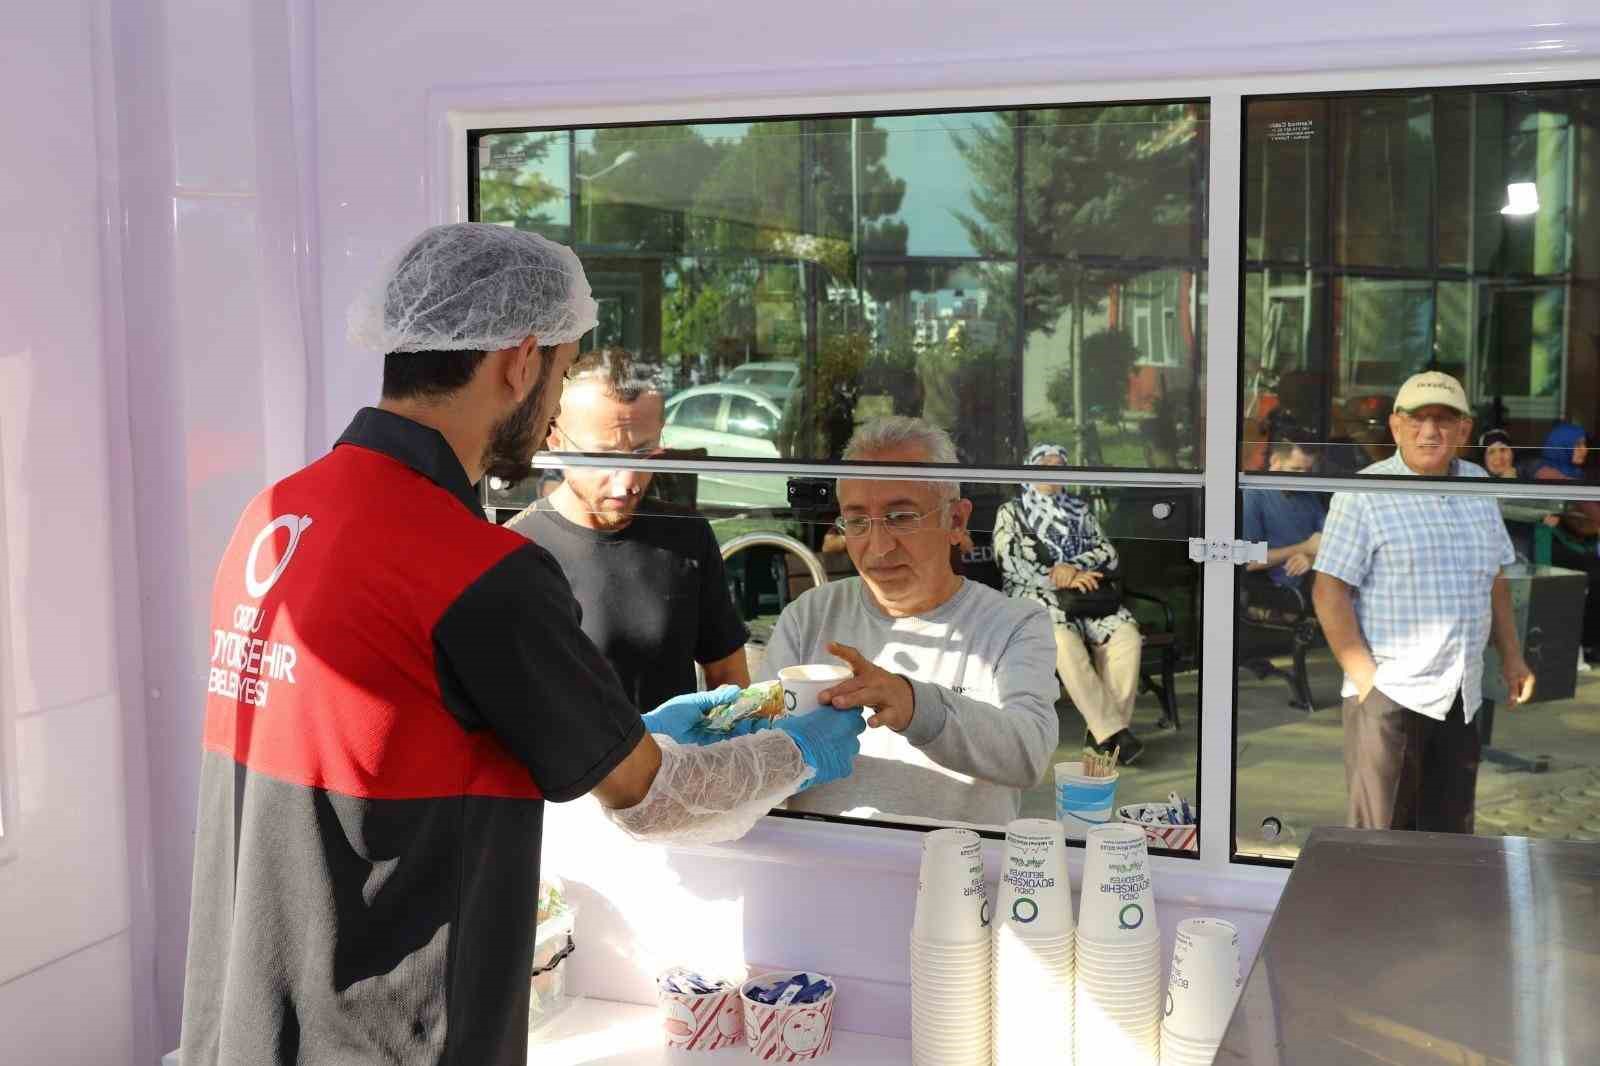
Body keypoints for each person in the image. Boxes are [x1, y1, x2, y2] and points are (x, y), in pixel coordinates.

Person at [180, 223, 866, 1066]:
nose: (550, 415)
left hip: (242, 1029)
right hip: (392, 1040)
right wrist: (789, 752)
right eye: (561, 372)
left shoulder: (275, 515)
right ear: (520, 358)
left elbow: (384, 742)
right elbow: (650, 799)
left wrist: (631, 726)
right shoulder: (476, 567)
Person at [757, 416, 1060, 828]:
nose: (878, 547)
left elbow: (1029, 754)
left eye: (901, 517)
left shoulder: (1014, 624)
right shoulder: (808, 617)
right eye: (858, 521)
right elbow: (761, 764)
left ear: (956, 521)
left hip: (961, 879)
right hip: (827, 872)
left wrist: (915, 705)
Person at [1313, 371, 1534, 834]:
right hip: (1393, 693)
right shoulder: (1364, 493)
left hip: (1461, 692)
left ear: (1464, 430)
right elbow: (1329, 589)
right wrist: (1367, 680)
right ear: (1395, 426)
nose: (1429, 431)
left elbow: (1495, 579)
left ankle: (1439, 910)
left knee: (1450, 836)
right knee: (1381, 838)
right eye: (1417, 419)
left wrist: (1512, 658)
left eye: (1443, 419)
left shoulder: (1477, 484)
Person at [508, 348, 750, 710]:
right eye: (604, 457)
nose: (627, 483)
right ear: (555, 440)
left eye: (643, 452)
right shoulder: (519, 551)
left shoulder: (686, 536)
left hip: (679, 763)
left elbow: (729, 676)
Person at [992, 444, 1146, 764]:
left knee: (1127, 636)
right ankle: (1113, 735)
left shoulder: (1080, 509)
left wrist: (1073, 569)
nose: (1053, 468)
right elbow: (1007, 562)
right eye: (1045, 463)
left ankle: (1102, 732)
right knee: (1062, 642)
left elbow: (1108, 553)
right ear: (1030, 468)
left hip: (1085, 596)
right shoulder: (1012, 511)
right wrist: (1057, 577)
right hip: (1036, 597)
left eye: (1059, 464)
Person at [1527, 421, 1600, 661]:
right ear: (1562, 446)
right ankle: (1586, 646)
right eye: (1577, 445)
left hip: (1575, 546)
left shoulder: (1576, 473)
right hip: (1548, 550)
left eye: (1584, 445)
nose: (1583, 450)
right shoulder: (1548, 472)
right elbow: (1588, 509)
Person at [1241, 433, 1326, 588]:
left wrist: (1310, 558)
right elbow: (1248, 560)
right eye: (1296, 469)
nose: (1302, 477)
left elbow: (1325, 542)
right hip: (1274, 593)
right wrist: (1303, 548)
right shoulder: (1253, 495)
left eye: (1307, 471)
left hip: (1312, 583)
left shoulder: (1309, 495)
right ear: (1275, 461)